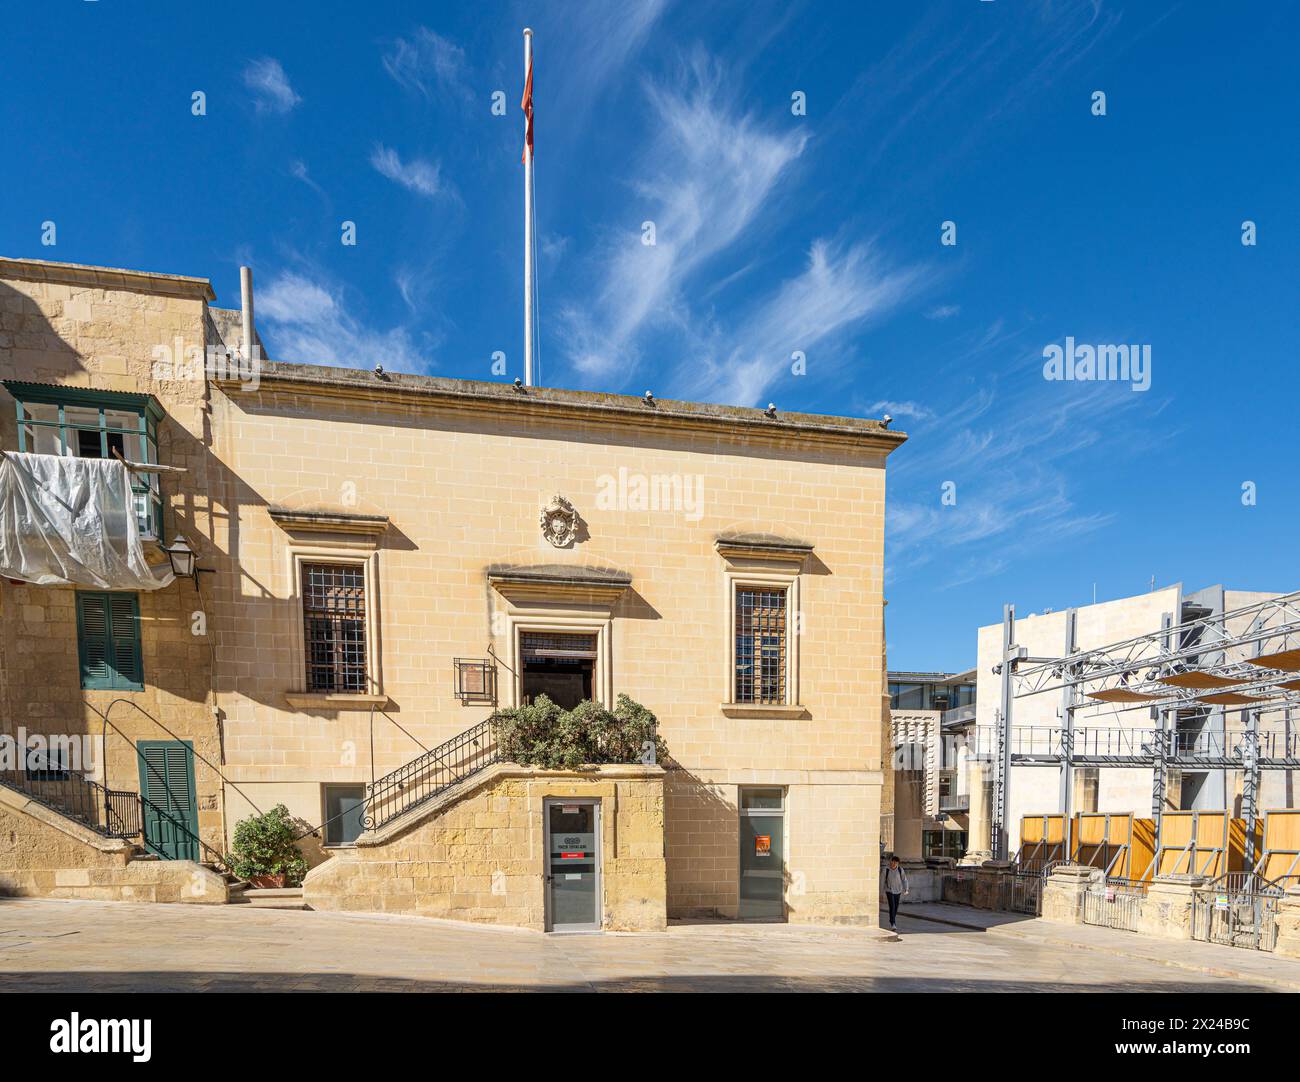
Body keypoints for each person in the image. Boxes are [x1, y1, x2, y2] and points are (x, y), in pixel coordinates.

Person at [883, 855, 909, 931]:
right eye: (893, 861)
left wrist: (906, 889)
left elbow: (904, 880)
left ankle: (892, 919)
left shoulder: (900, 870)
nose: (894, 863)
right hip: (889, 890)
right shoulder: (886, 870)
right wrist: (881, 893)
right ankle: (893, 923)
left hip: (898, 891)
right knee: (892, 906)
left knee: (896, 907)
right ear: (890, 861)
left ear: (898, 863)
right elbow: (882, 881)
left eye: (896, 862)